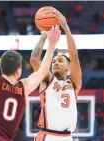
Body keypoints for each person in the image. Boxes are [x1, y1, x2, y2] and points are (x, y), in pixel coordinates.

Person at [30, 10, 82, 141]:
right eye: (53, 61)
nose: (55, 63)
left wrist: (66, 29)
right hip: (48, 136)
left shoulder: (74, 84)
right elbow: (34, 60)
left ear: (68, 67)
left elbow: (74, 57)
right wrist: (43, 36)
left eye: (60, 61)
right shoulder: (47, 79)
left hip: (68, 137)